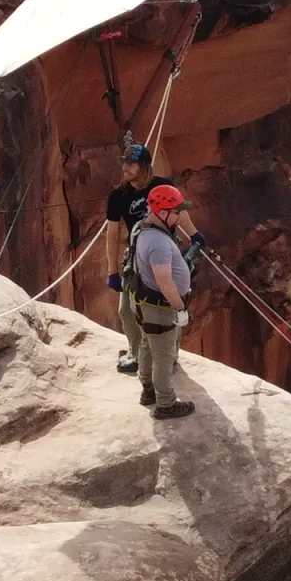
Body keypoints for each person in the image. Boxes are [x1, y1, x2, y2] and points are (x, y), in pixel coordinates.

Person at [103, 143, 197, 373]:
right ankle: (136, 356)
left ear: (144, 167)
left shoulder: (162, 185)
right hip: (136, 256)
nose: (124, 168)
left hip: (166, 251)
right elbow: (112, 234)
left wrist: (195, 235)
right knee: (127, 310)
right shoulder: (118, 196)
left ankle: (170, 357)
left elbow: (179, 212)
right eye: (123, 163)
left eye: (130, 164)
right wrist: (112, 271)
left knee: (168, 305)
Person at [128, 183, 198, 419]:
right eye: (176, 211)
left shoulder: (141, 227)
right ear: (162, 211)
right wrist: (180, 307)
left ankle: (148, 390)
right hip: (160, 307)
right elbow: (164, 281)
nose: (180, 216)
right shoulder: (157, 242)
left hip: (143, 303)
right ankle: (166, 404)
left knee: (147, 345)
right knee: (164, 356)